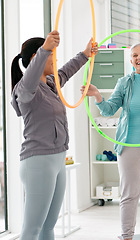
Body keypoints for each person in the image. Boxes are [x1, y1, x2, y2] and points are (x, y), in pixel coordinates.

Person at [11, 30, 98, 240]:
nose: (55, 58)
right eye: (52, 54)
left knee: (48, 227)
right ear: (37, 58)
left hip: (58, 159)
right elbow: (31, 78)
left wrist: (85, 54)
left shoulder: (50, 83)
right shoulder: (25, 89)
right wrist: (44, 50)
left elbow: (66, 71)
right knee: (32, 229)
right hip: (38, 162)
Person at [82, 42, 140, 240]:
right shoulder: (124, 83)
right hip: (130, 146)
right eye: (135, 55)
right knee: (130, 196)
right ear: (131, 61)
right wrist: (96, 95)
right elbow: (110, 109)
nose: (139, 58)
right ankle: (126, 236)